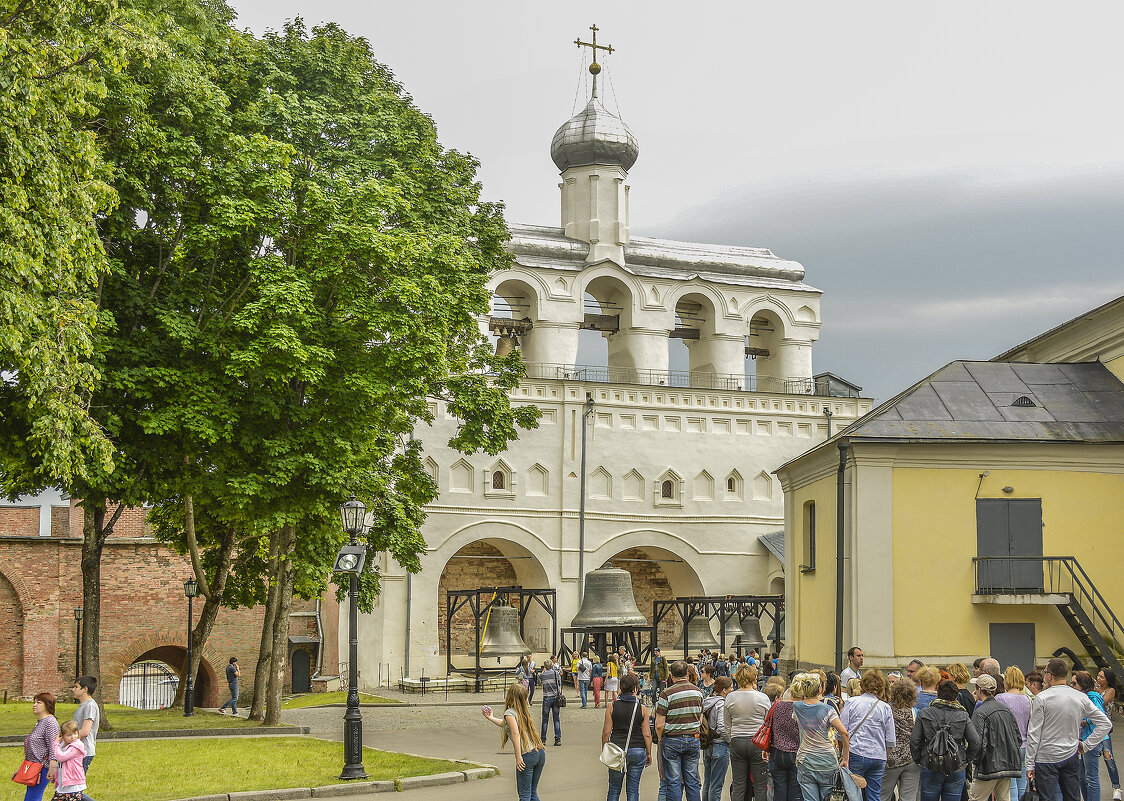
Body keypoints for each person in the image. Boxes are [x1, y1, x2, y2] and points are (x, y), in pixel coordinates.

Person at [1026, 658, 1111, 801]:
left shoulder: (1042, 698)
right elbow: (1105, 723)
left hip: (1046, 756)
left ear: (1049, 675)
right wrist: (1086, 745)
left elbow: (1034, 733)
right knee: (1072, 797)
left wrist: (1029, 763)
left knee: (1047, 797)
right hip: (1071, 754)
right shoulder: (1080, 697)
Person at [910, 680, 980, 801]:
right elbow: (975, 742)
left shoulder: (925, 714)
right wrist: (966, 759)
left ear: (938, 694)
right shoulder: (963, 715)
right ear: (956, 696)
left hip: (930, 763)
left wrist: (920, 759)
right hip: (956, 764)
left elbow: (914, 741)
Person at [791, 671, 855, 801]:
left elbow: (796, 718)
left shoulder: (797, 706)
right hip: (827, 761)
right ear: (820, 689)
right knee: (828, 798)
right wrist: (845, 758)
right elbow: (844, 733)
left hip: (805, 759)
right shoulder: (827, 709)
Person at [483, 683, 546, 801]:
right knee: (532, 793)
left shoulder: (510, 713)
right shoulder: (522, 711)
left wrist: (518, 757)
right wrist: (490, 717)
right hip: (539, 752)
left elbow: (516, 734)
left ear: (510, 696)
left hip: (527, 755)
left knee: (525, 795)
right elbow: (504, 724)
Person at [840, 670, 896, 801]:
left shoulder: (852, 702)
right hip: (878, 756)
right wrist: (884, 757)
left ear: (863, 684)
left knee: (853, 794)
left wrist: (844, 755)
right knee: (874, 795)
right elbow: (891, 740)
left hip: (856, 752)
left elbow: (842, 732)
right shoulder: (886, 708)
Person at [967, 674, 1022, 801]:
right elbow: (1017, 738)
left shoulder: (980, 712)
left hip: (988, 766)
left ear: (979, 690)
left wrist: (974, 761)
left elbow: (977, 742)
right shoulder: (1005, 710)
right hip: (1008, 763)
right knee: (1004, 798)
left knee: (976, 799)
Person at [655, 660, 704, 801]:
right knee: (692, 780)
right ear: (687, 674)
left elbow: (659, 724)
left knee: (673, 781)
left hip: (672, 739)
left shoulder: (666, 693)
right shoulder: (698, 692)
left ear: (671, 675)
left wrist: (660, 738)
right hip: (693, 737)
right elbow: (700, 718)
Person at [603, 672, 652, 801]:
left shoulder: (612, 706)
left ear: (621, 688)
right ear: (635, 689)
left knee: (614, 789)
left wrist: (605, 748)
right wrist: (648, 753)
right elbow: (646, 734)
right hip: (637, 750)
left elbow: (606, 732)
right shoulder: (642, 708)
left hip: (617, 750)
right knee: (633, 789)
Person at [725, 663, 769, 801]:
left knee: (739, 784)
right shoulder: (762, 698)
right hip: (757, 742)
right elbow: (767, 723)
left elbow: (727, 724)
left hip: (737, 740)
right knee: (760, 785)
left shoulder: (730, 698)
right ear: (754, 679)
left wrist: (731, 739)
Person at [1072, 670, 1110, 801]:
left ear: (1082, 685)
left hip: (1092, 741)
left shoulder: (1092, 697)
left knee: (1091, 777)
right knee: (1082, 776)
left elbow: (1102, 717)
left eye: (1074, 683)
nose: (1072, 686)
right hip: (1084, 739)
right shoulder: (1084, 697)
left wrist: (1086, 720)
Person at [882, 677, 921, 801]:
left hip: (890, 758)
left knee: (883, 796)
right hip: (911, 759)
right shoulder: (915, 712)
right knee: (908, 797)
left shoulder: (886, 710)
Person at [997, 666, 1032, 801]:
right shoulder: (1027, 699)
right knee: (1023, 781)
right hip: (1025, 744)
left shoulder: (1001, 698)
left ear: (1008, 680)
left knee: (1010, 785)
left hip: (1008, 746)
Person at [767, 676, 804, 801]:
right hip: (796, 753)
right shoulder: (802, 709)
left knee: (779, 790)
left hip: (777, 752)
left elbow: (769, 726)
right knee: (794, 790)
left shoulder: (777, 705)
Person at [22, 692, 60, 801]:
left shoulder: (50, 722)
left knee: (32, 797)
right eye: (34, 702)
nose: (34, 705)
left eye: (39, 702)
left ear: (48, 705)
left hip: (43, 767)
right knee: (31, 795)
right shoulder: (41, 722)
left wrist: (52, 767)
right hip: (33, 766)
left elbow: (54, 746)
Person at [702, 676, 734, 801]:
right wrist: (730, 740)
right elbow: (721, 726)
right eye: (730, 687)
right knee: (716, 785)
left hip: (708, 745)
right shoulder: (721, 704)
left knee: (708, 782)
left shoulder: (708, 700)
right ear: (724, 690)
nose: (732, 689)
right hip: (720, 745)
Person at [1096, 668, 1122, 801]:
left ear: (1107, 680)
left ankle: (1116, 788)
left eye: (1102, 677)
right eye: (1098, 676)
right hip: (1091, 727)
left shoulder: (1111, 690)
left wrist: (1093, 691)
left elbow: (1101, 702)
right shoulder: (1094, 689)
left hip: (1104, 729)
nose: (1099, 678)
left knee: (1109, 758)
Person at [72, 675, 99, 801]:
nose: (73, 689)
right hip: (77, 751)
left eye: (76, 687)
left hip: (84, 752)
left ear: (85, 689)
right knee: (72, 790)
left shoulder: (90, 706)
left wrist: (64, 739)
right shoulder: (83, 705)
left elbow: (85, 731)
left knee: (73, 790)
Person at [52, 720, 88, 801]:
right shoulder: (62, 745)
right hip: (63, 785)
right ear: (62, 736)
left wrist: (56, 743)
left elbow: (61, 757)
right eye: (69, 735)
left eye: (75, 733)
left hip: (73, 784)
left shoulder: (77, 746)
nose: (73, 737)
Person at [537, 658, 563, 746]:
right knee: (556, 719)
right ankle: (558, 739)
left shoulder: (543, 675)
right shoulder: (556, 674)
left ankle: (543, 739)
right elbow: (559, 685)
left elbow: (539, 683)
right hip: (555, 698)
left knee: (545, 720)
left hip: (547, 697)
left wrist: (542, 673)